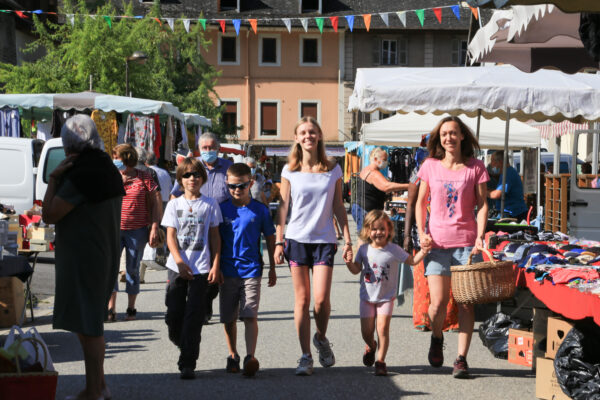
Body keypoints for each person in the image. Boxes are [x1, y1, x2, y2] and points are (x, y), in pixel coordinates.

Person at [42, 115, 124, 400]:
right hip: (103, 252)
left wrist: (53, 178)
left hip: (84, 255)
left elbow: (50, 214)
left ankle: (93, 391)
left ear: (68, 143)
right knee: (87, 322)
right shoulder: (107, 167)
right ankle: (99, 387)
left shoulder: (80, 172)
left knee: (89, 325)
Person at [274, 116, 353, 376]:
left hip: (324, 240)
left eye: (313, 132)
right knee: (302, 300)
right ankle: (305, 356)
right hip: (296, 239)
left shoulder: (333, 168)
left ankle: (321, 337)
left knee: (320, 301)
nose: (308, 136)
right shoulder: (289, 170)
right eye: (303, 132)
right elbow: (283, 207)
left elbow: (338, 205)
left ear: (319, 136)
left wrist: (348, 238)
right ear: (296, 138)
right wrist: (278, 240)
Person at [416, 116, 489, 379]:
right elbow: (420, 201)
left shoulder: (476, 167)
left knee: (466, 304)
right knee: (437, 303)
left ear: (462, 137)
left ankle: (461, 359)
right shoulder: (430, 166)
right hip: (436, 243)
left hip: (466, 245)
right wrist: (421, 232)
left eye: (453, 133)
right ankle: (437, 337)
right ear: (440, 138)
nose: (449, 138)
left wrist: (480, 235)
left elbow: (482, 205)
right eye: (444, 134)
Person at [346, 210, 430, 376]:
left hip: (386, 298)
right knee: (366, 332)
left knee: (382, 329)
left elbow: (412, 261)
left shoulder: (394, 249)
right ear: (368, 231)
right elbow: (356, 270)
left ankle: (381, 361)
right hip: (367, 298)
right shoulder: (363, 250)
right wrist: (349, 262)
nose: (378, 233)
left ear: (389, 230)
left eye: (382, 229)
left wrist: (424, 251)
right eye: (374, 229)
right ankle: (371, 345)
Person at [161, 157, 223, 379]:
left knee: (194, 316)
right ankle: (182, 342)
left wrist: (216, 264)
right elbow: (170, 235)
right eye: (186, 175)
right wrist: (178, 261)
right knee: (174, 314)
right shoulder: (173, 204)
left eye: (196, 175)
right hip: (177, 266)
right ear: (180, 179)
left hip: (201, 267)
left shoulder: (210, 204)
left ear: (202, 178)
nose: (192, 179)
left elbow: (215, 237)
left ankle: (188, 362)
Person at [219, 163, 277, 377]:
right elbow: (214, 240)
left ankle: (250, 356)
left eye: (242, 186)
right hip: (227, 271)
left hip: (251, 270)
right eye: (233, 186)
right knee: (228, 317)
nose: (237, 190)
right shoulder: (222, 208)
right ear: (227, 183)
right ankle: (233, 354)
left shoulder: (260, 210)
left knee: (250, 314)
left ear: (250, 184)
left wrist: (272, 267)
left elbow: (270, 238)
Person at [171, 132, 232, 324]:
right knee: (196, 268)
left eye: (211, 147)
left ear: (218, 148)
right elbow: (175, 194)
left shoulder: (228, 168)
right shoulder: (192, 167)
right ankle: (195, 305)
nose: (208, 151)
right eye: (204, 148)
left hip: (223, 224)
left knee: (216, 267)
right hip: (195, 224)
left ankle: (207, 298)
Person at [404, 135, 459, 332]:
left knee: (449, 280)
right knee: (422, 279)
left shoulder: (454, 166)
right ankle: (423, 319)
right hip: (423, 234)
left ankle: (449, 321)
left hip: (449, 233)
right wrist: (408, 236)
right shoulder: (420, 169)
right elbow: (411, 204)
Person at [107, 144, 161, 321]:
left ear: (126, 158)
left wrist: (154, 226)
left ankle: (131, 308)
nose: (114, 160)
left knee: (132, 269)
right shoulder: (111, 177)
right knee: (110, 268)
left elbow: (155, 201)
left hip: (137, 230)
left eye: (116, 156)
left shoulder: (144, 177)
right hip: (113, 229)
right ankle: (110, 308)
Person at [352, 147, 409, 233]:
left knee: (366, 237)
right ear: (375, 159)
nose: (386, 162)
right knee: (367, 239)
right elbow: (386, 186)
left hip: (361, 208)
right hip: (366, 210)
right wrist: (408, 186)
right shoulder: (373, 173)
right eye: (384, 159)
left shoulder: (366, 170)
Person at [487, 151, 528, 221]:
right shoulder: (508, 172)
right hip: (510, 212)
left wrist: (481, 190)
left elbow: (496, 195)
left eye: (492, 161)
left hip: (513, 214)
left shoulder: (507, 174)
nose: (491, 164)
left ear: (500, 162)